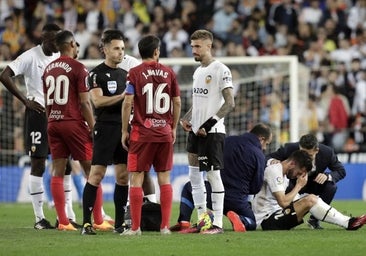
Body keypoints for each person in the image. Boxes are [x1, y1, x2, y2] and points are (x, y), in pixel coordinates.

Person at [0, 23, 62, 230]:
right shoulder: (30, 56)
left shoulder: (61, 57)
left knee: (65, 164)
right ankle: (39, 218)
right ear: (44, 39)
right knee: (39, 164)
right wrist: (25, 100)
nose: (56, 44)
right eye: (53, 40)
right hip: (37, 115)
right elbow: (4, 75)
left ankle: (65, 217)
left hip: (58, 115)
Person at [121, 34, 181, 235]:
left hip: (142, 134)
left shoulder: (134, 72)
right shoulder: (169, 73)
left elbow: (128, 101)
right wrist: (172, 127)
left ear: (140, 52)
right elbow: (177, 102)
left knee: (136, 178)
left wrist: (124, 130)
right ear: (156, 52)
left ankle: (136, 228)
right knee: (164, 178)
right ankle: (164, 227)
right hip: (164, 133)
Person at [180, 29, 235, 234]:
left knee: (213, 175)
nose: (193, 50)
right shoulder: (197, 71)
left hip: (212, 132)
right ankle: (204, 220)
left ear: (209, 46)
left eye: (197, 46)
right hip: (196, 131)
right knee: (194, 174)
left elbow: (230, 103)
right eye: (192, 46)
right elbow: (198, 102)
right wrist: (187, 118)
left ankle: (218, 223)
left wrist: (209, 124)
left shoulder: (221, 69)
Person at [171, 123, 273, 232]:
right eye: (266, 144)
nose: (265, 147)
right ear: (261, 139)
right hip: (236, 201)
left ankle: (184, 222)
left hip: (212, 194)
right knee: (252, 222)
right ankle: (241, 219)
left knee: (189, 188)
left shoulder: (227, 141)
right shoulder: (259, 155)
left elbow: (210, 164)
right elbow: (256, 187)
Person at [42, 30, 95, 231]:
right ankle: (97, 218)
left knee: (57, 170)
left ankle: (63, 221)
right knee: (91, 170)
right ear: (72, 44)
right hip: (73, 122)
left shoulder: (48, 68)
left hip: (53, 122)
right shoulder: (79, 68)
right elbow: (84, 102)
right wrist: (93, 126)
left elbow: (47, 102)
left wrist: (51, 121)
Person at [81, 29, 129, 235]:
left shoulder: (126, 75)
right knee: (96, 175)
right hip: (105, 128)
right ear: (105, 49)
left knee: (123, 177)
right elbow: (98, 101)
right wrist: (123, 95)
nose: (121, 53)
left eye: (123, 49)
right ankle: (86, 223)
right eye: (117, 48)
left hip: (123, 129)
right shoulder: (95, 74)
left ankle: (119, 224)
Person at [252, 150, 366, 231]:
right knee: (310, 199)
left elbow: (289, 202)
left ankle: (349, 222)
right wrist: (299, 186)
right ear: (292, 163)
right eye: (300, 172)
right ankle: (348, 223)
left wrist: (305, 200)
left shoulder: (284, 175)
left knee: (311, 198)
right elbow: (283, 202)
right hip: (265, 221)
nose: (299, 176)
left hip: (276, 215)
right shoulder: (274, 171)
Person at [267, 133, 346, 229]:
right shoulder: (290, 148)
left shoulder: (327, 152)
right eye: (301, 152)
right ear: (299, 147)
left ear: (316, 150)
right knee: (287, 186)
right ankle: (287, 217)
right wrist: (272, 161)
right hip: (293, 183)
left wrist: (327, 176)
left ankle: (314, 220)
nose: (304, 157)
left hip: (314, 184)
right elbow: (267, 157)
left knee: (331, 187)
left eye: (309, 155)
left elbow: (341, 171)